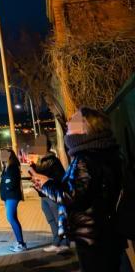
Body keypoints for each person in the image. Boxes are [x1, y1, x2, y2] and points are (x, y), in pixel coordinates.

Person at [31, 108, 124, 272]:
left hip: (92, 237)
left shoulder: (85, 158)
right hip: (104, 233)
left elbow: (72, 197)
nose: (67, 122)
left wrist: (46, 185)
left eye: (73, 119)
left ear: (86, 126)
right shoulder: (103, 152)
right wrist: (49, 182)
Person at [32, 150, 67, 252]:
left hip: (52, 195)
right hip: (43, 195)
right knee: (51, 220)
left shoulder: (54, 161)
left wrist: (46, 180)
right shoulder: (39, 162)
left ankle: (64, 244)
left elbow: (60, 178)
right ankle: (56, 243)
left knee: (58, 220)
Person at [0, 149, 26, 252]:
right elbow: (5, 180)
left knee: (11, 218)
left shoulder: (13, 166)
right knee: (13, 218)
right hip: (7, 196)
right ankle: (20, 242)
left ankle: (21, 243)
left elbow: (11, 182)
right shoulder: (6, 167)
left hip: (12, 196)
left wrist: (7, 185)